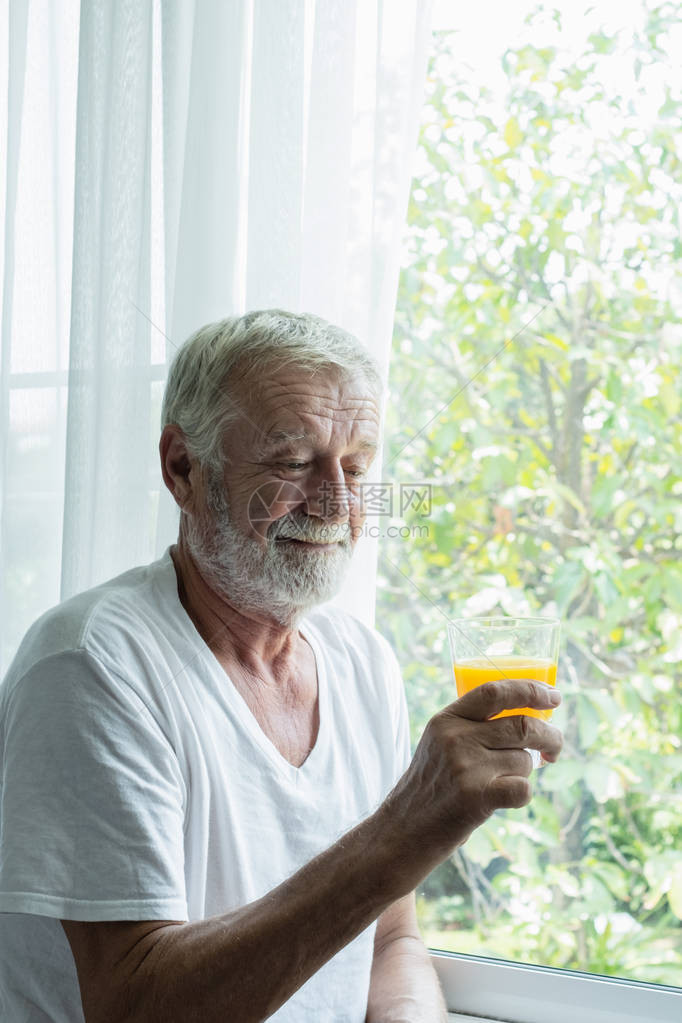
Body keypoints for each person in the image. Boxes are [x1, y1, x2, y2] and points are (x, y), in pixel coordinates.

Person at [0, 310, 562, 1022]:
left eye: (356, 467)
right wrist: (405, 830)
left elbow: (390, 938)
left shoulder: (364, 664)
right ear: (183, 468)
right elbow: (135, 1003)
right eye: (293, 462)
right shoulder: (90, 665)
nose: (335, 502)